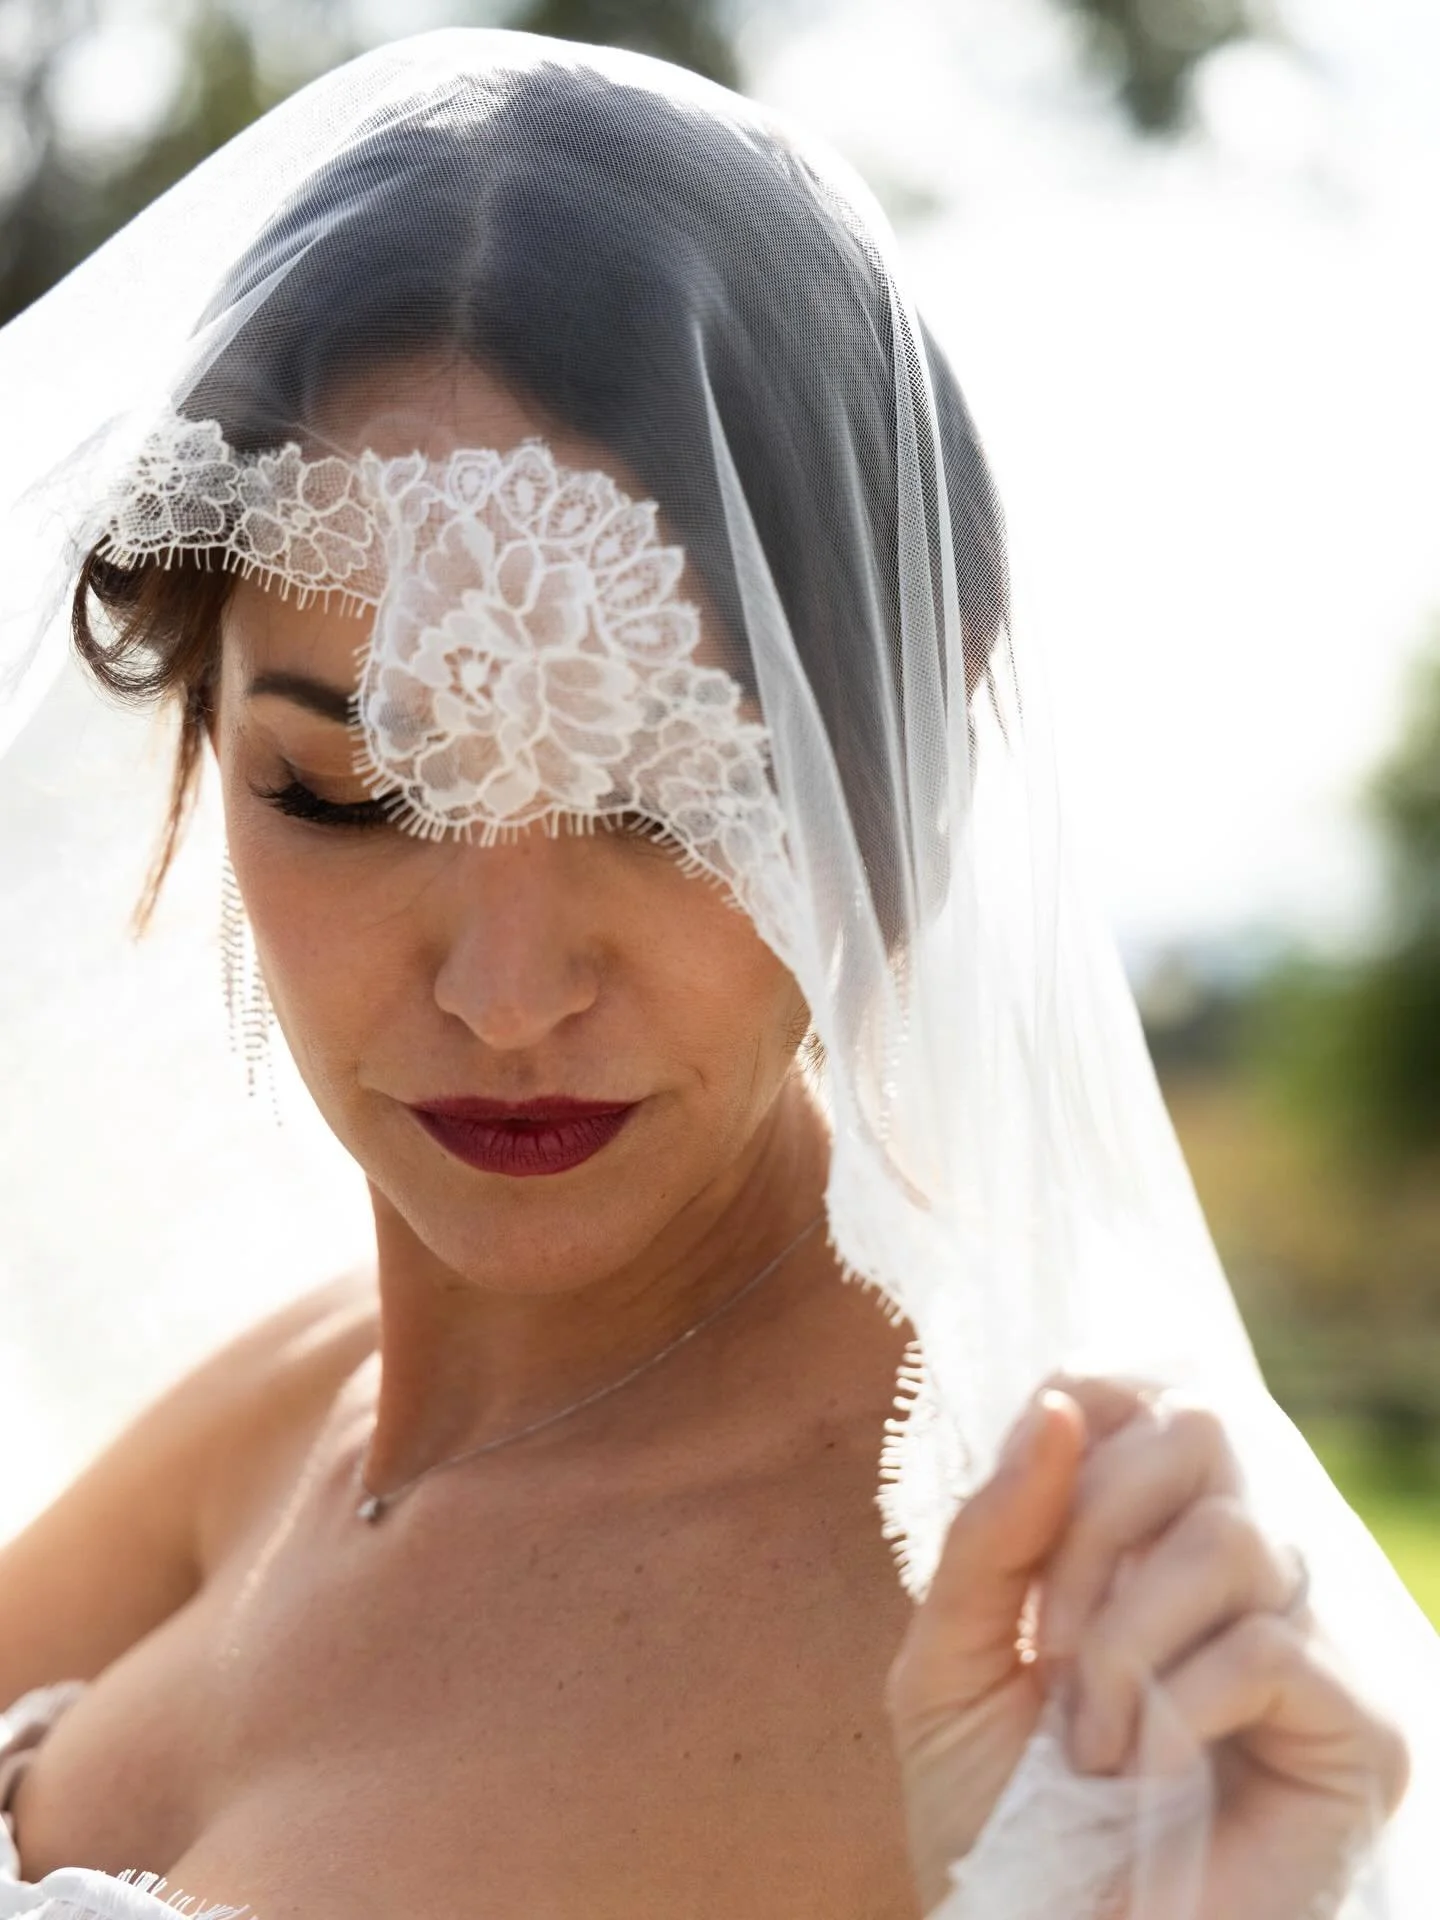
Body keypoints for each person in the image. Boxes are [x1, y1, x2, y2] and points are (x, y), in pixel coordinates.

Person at [0, 30, 1427, 1920]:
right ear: (205, 744)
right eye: (347, 794)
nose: (508, 995)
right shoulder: (288, 1406)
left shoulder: (1008, 1641)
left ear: (901, 799)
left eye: (672, 807)